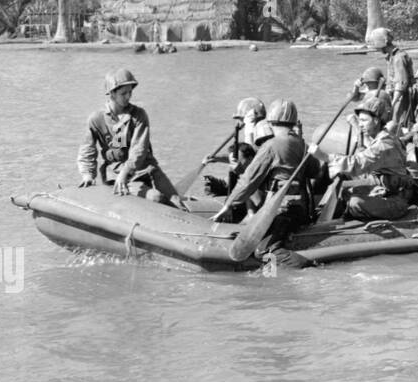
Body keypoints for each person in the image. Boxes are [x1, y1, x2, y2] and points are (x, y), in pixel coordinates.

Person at [211, 100, 328, 268]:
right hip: (300, 209)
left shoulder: (271, 146)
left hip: (281, 210)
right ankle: (269, 278)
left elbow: (249, 179)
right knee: (261, 248)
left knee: (264, 251)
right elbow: (315, 171)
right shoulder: (302, 144)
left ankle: (311, 269)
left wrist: (229, 204)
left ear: (271, 120)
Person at [77, 69, 186, 208]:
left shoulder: (139, 115)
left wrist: (126, 171)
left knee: (177, 203)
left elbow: (138, 149)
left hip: (147, 168)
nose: (128, 96)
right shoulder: (96, 119)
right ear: (112, 94)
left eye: (130, 92)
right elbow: (87, 150)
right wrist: (87, 175)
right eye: (124, 93)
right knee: (156, 198)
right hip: (117, 173)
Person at [327, 93, 415, 221]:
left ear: (376, 120)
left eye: (364, 120)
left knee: (355, 202)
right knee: (345, 189)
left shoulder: (384, 144)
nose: (361, 124)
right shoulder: (380, 137)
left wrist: (325, 157)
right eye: (360, 120)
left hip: (396, 200)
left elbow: (358, 163)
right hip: (384, 187)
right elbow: (365, 152)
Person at [203, 97, 272, 197]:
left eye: (240, 119)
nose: (239, 123)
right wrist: (216, 158)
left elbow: (250, 158)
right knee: (233, 167)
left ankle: (230, 191)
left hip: (260, 176)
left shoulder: (260, 130)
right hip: (254, 172)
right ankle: (226, 186)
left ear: (250, 117)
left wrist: (249, 127)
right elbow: (242, 156)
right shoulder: (253, 129)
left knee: (234, 168)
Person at [367, 27, 414, 133]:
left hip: (402, 97)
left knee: (398, 124)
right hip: (396, 95)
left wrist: (392, 103)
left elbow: (401, 84)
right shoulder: (391, 56)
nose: (376, 49)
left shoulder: (398, 58)